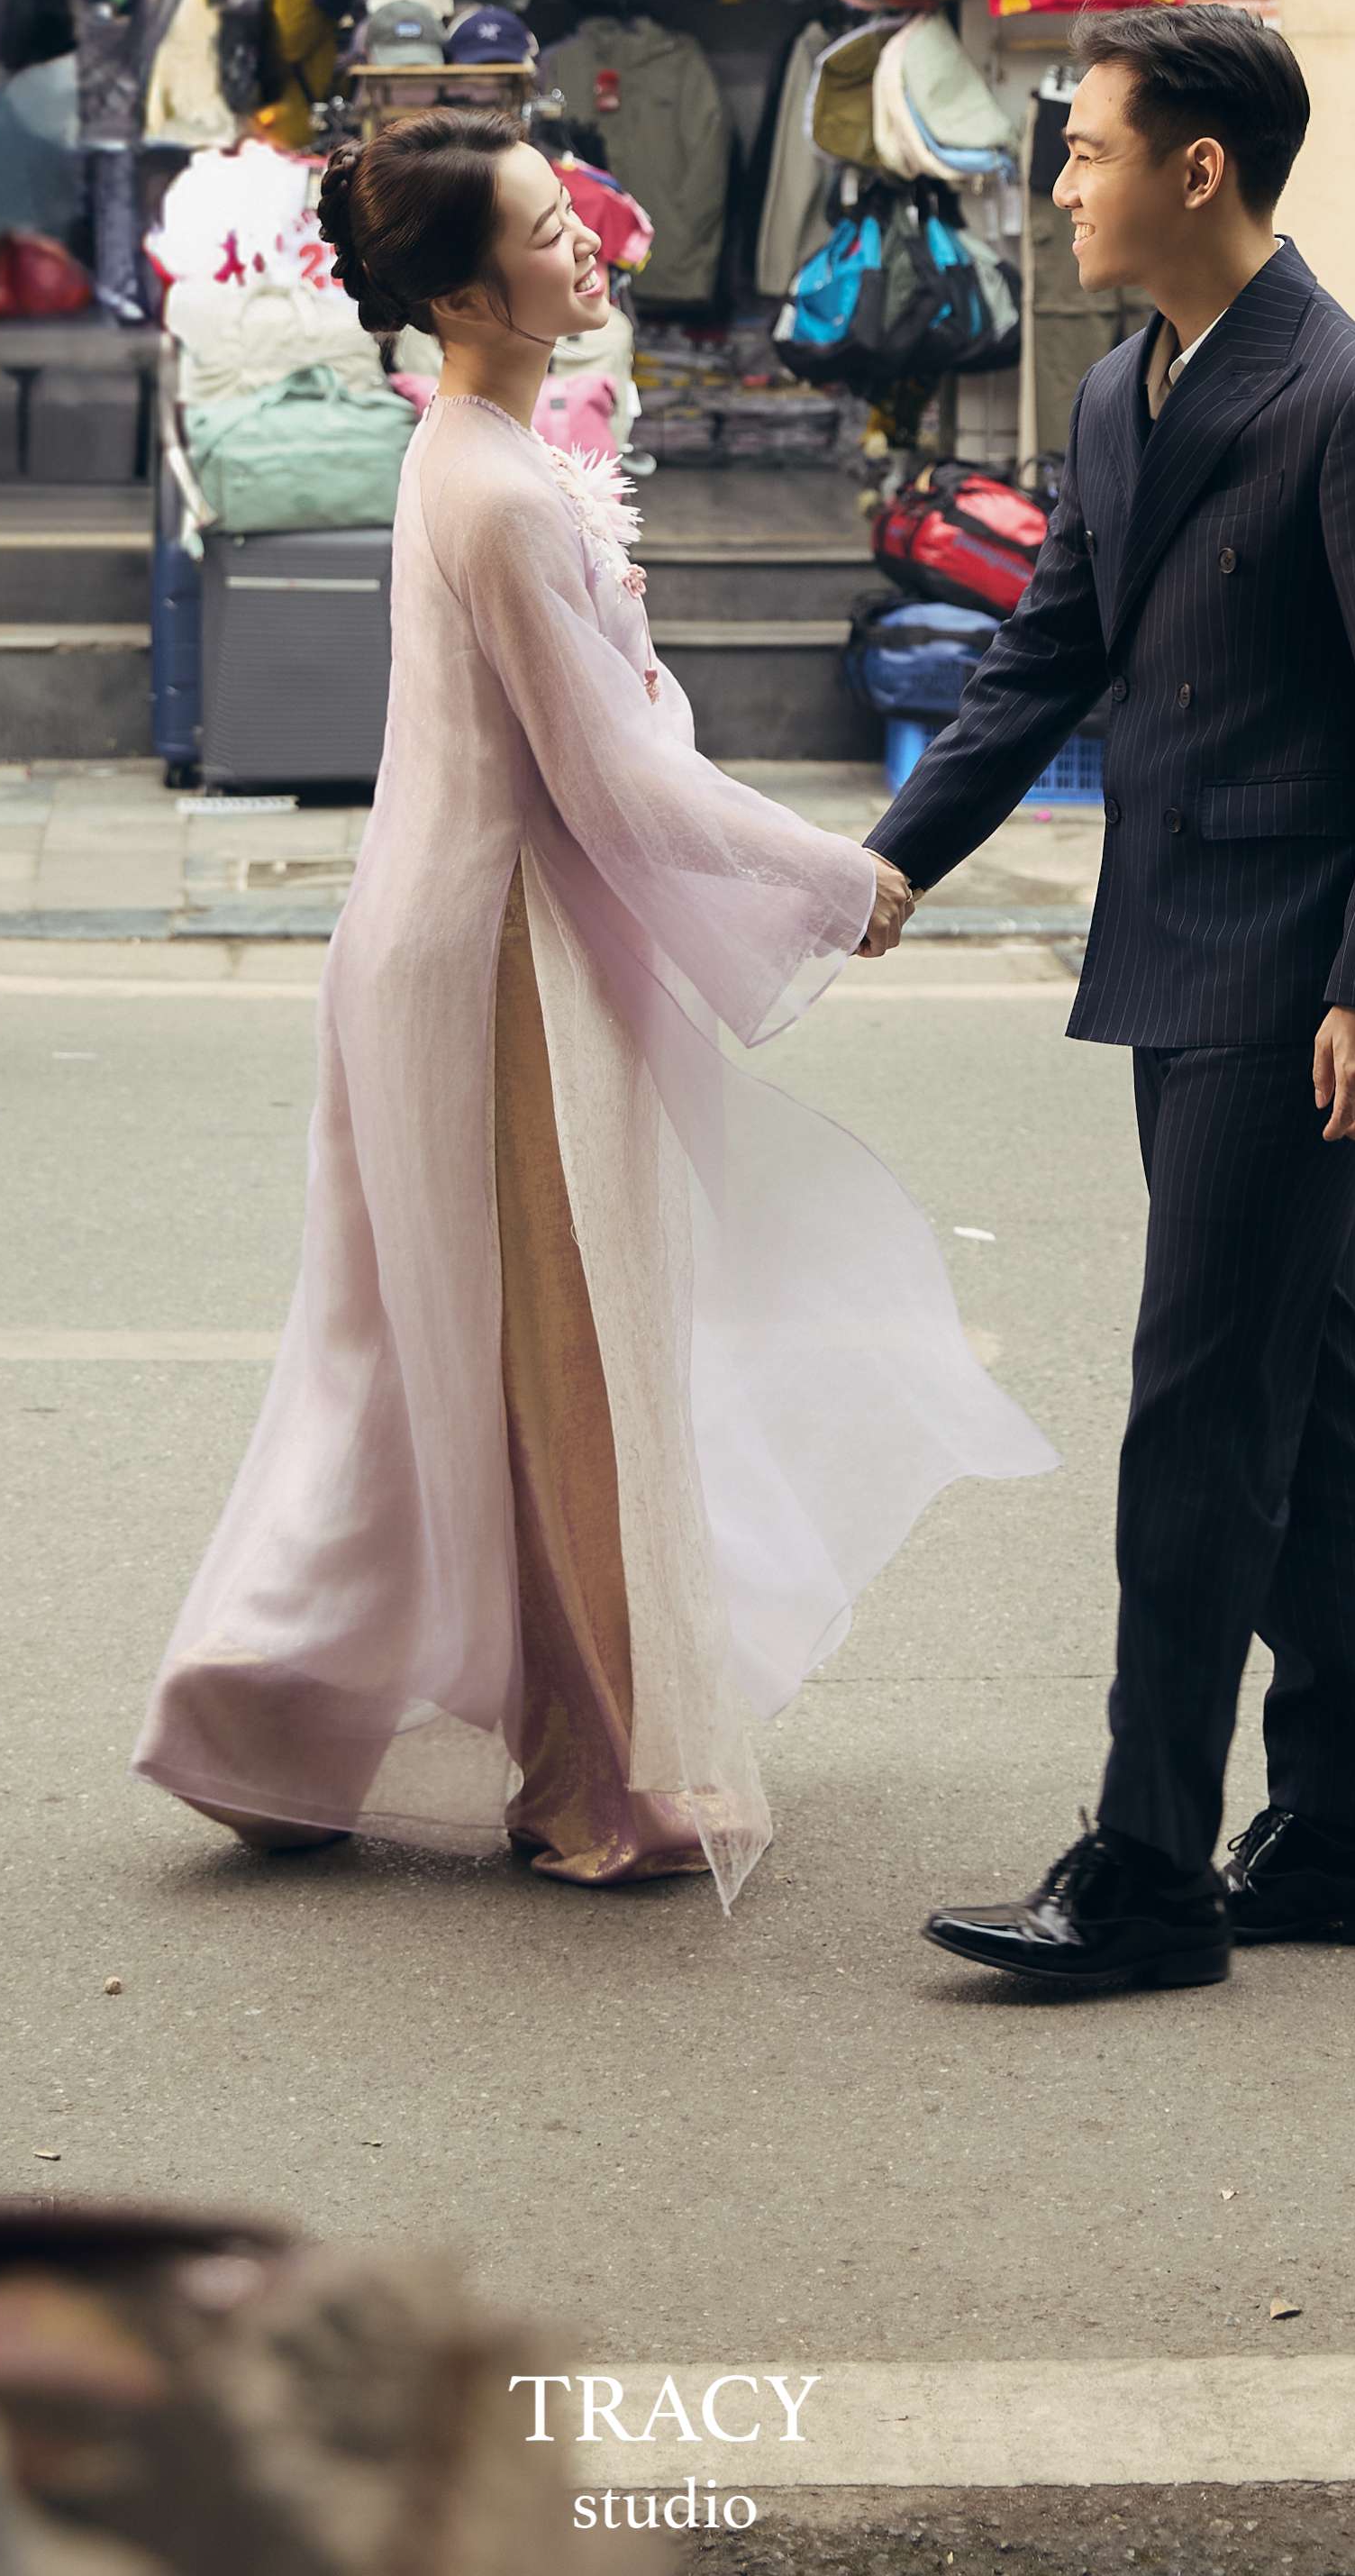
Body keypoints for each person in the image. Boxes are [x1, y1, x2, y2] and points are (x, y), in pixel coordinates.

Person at [134, 107, 1054, 1897]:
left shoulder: (475, 449)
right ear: (470, 289)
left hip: (460, 937)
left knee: (420, 1364)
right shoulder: (485, 482)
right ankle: (591, 1765)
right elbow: (616, 787)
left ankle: (268, 1709)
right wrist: (832, 874)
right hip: (495, 968)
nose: (590, 250)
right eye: (553, 234)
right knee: (558, 1368)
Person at [865, 8, 1355, 1998]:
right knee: (1314, 1383)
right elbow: (1048, 650)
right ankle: (1349, 1832)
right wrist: (890, 858)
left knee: (1204, 1404)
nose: (1061, 186)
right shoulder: (1129, 396)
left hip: (1296, 970)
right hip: (1176, 945)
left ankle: (1147, 1869)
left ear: (1195, 170)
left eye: (1088, 152)